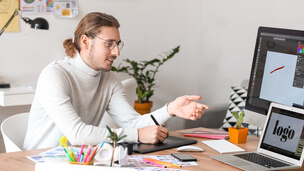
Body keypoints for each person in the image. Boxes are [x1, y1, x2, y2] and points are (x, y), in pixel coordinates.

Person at [23, 12, 209, 150]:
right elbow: (77, 134)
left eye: (118, 44)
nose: (117, 52)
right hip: (37, 163)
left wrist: (170, 109)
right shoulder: (55, 75)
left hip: (77, 162)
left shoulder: (109, 80)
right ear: (86, 41)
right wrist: (136, 135)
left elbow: (133, 124)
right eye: (109, 44)